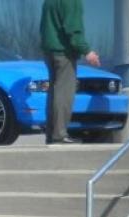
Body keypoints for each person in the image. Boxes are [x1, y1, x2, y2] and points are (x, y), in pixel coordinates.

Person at [41, 0, 101, 144]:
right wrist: (86, 51)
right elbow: (73, 29)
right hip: (64, 53)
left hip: (50, 51)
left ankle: (52, 134)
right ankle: (60, 135)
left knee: (54, 93)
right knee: (64, 94)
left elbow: (43, 27)